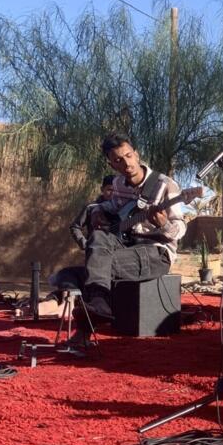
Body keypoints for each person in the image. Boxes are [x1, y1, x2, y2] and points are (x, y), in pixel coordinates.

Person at [81, 132, 187, 319]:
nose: (127, 163)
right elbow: (111, 206)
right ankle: (99, 305)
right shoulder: (118, 183)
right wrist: (96, 210)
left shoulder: (165, 185)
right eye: (118, 160)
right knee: (97, 238)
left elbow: (180, 229)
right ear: (111, 164)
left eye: (129, 156)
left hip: (157, 252)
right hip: (127, 244)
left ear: (136, 154)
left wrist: (164, 225)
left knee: (94, 267)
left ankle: (95, 309)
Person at [69, 174, 116, 251]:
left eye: (115, 191)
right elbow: (75, 226)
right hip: (95, 252)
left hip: (116, 251)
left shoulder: (121, 208)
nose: (112, 194)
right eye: (109, 190)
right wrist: (84, 243)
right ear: (102, 189)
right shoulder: (91, 207)